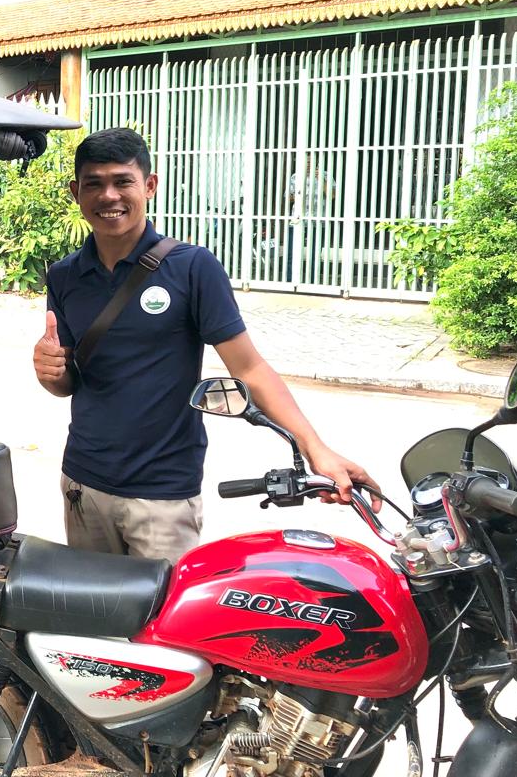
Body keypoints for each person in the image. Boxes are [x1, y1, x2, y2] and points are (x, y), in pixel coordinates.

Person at [32, 128, 379, 562]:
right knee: (93, 625)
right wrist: (50, 372)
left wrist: (316, 450)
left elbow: (249, 370)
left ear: (150, 186)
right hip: (83, 482)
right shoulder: (65, 275)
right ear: (76, 193)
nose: (109, 195)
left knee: (161, 626)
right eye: (94, 184)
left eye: (123, 181)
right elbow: (68, 383)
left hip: (162, 495)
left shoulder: (192, 268)